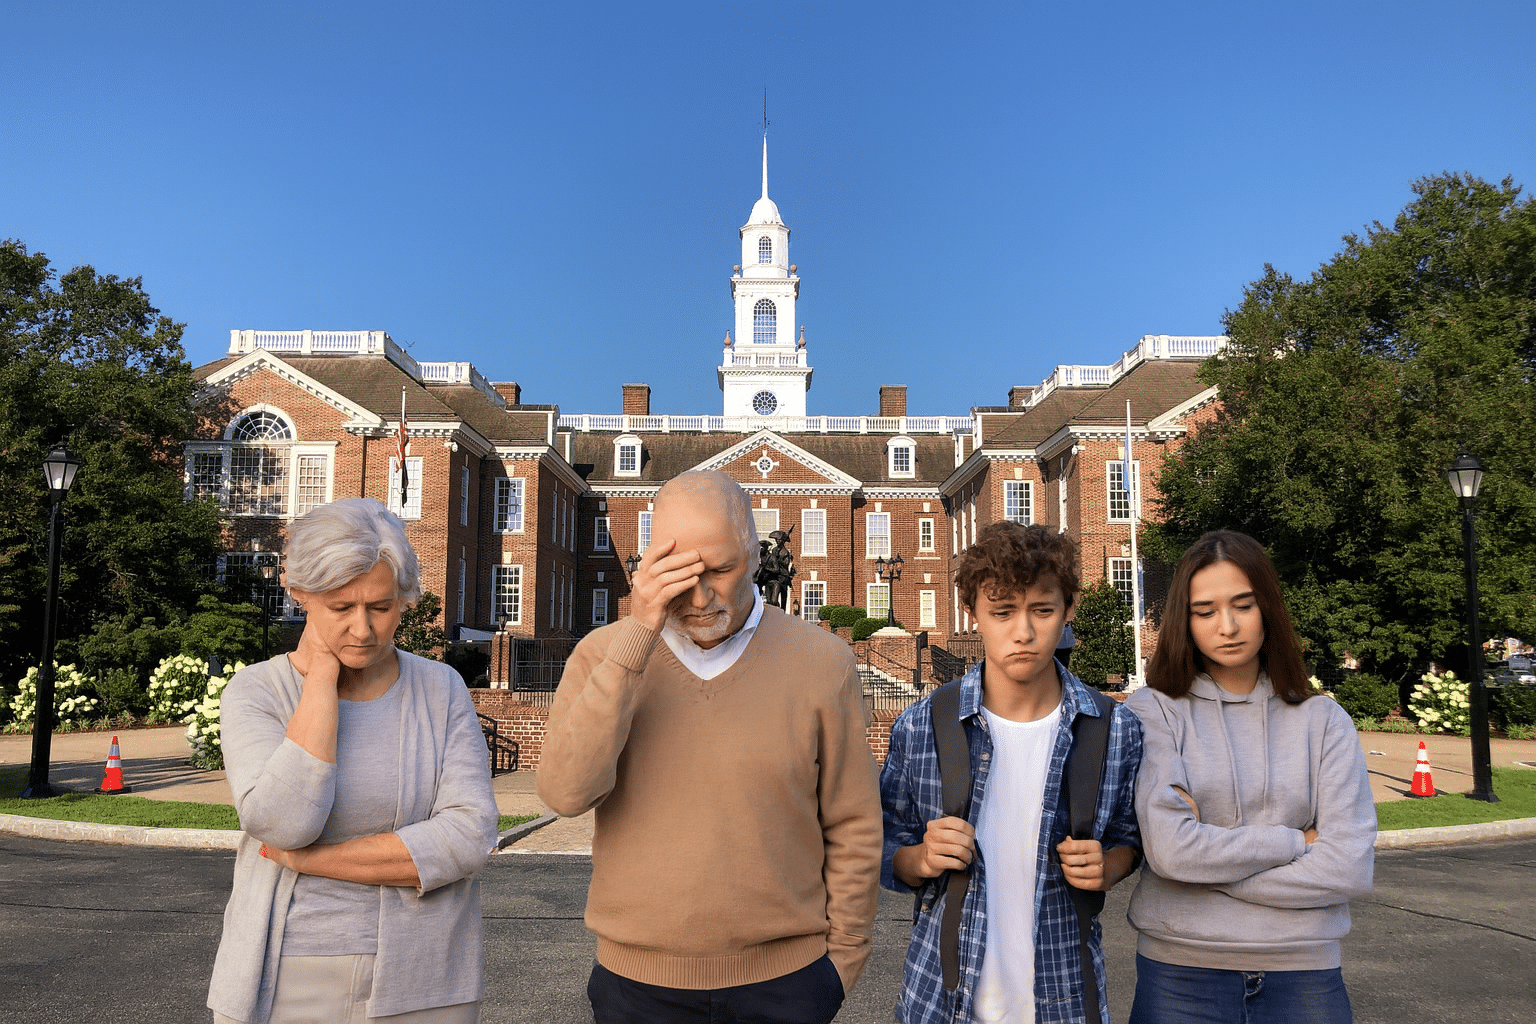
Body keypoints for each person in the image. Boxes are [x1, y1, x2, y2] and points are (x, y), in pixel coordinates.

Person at [539, 470, 882, 1024]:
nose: (699, 597)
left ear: (753, 555)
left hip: (787, 983)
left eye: (721, 571)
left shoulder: (822, 662)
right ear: (650, 565)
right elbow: (566, 793)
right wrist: (637, 636)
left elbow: (853, 823)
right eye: (680, 573)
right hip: (636, 985)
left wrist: (840, 963)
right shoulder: (602, 655)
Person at [208, 498, 499, 1024]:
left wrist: (312, 862)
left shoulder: (441, 689)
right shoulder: (256, 692)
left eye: (380, 607)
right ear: (300, 595)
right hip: (287, 974)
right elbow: (282, 823)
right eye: (340, 609)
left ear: (404, 600)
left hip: (429, 978)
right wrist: (320, 683)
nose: (362, 630)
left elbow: (469, 835)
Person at [881, 521, 1143, 1024]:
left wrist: (1109, 866)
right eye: (1002, 612)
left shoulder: (1115, 730)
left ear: (1068, 610)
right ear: (972, 613)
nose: (1022, 632)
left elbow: (1131, 838)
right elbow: (884, 848)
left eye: (1042, 611)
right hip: (940, 1001)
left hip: (1066, 997)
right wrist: (921, 857)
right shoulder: (921, 728)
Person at [1123, 530, 1376, 1024]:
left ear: (1268, 609)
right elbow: (1172, 852)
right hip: (1180, 974)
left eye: (1244, 604)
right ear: (1185, 620)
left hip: (1304, 975)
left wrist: (1202, 867)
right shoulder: (1153, 712)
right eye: (1206, 611)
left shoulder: (1324, 720)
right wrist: (1297, 842)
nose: (1228, 625)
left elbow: (1348, 866)